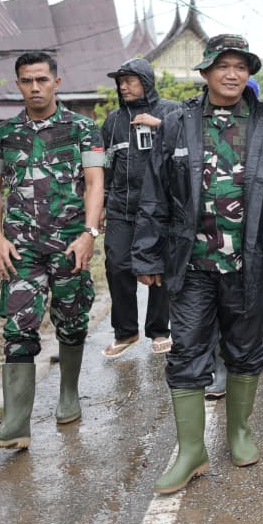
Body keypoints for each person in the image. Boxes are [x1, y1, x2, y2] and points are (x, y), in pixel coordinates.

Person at [133, 34, 263, 494]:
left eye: (241, 66)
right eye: (223, 66)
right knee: (186, 351)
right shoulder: (179, 122)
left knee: (246, 348)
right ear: (207, 72)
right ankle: (192, 451)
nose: (233, 74)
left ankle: (240, 431)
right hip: (191, 264)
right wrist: (147, 253)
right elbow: (152, 192)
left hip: (250, 261)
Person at [0, 51, 105, 450]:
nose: (35, 87)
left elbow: (95, 183)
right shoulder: (4, 134)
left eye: (42, 80)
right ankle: (16, 425)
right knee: (18, 329)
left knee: (70, 320)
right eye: (27, 81)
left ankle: (68, 393)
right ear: (18, 85)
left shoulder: (83, 129)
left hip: (69, 244)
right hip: (22, 248)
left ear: (56, 83)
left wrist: (89, 233)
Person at [100, 58, 180, 359]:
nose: (123, 86)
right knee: (117, 265)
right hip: (122, 208)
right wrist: (102, 203)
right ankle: (126, 331)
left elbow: (190, 140)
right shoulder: (113, 121)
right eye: (120, 81)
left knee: (159, 270)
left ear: (146, 81)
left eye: (129, 80)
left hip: (161, 209)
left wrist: (159, 126)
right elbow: (105, 165)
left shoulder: (170, 111)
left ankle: (159, 330)